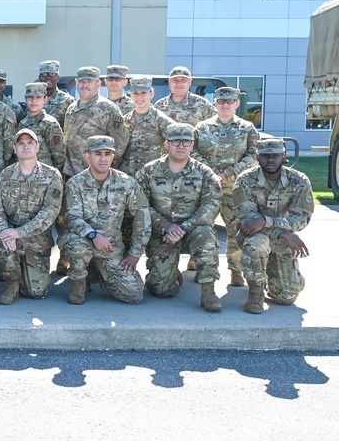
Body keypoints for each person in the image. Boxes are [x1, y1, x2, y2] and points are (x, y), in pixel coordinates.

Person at [136, 123, 222, 311]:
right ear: (167, 144)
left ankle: (208, 292)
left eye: (186, 142)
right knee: (161, 291)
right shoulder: (149, 171)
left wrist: (183, 228)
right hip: (162, 233)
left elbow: (211, 206)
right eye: (176, 141)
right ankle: (172, 274)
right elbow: (140, 206)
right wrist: (165, 226)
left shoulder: (205, 173)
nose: (181, 146)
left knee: (207, 236)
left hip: (193, 230)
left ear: (192, 145)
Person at [60, 135, 150, 305]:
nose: (103, 158)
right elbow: (72, 217)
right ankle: (79, 282)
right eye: (98, 154)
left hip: (110, 248)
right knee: (76, 246)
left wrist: (135, 253)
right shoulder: (75, 184)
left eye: (107, 154)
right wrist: (93, 235)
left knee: (134, 295)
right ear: (88, 156)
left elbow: (142, 215)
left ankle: (99, 273)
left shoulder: (126, 183)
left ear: (113, 156)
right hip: (83, 241)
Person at [233, 138, 313, 314]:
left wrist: (266, 222)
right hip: (253, 235)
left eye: (275, 156)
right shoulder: (245, 180)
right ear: (257, 157)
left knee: (286, 297)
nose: (270, 160)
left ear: (283, 156)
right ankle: (256, 293)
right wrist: (284, 232)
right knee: (256, 245)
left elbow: (301, 218)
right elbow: (247, 218)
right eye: (265, 156)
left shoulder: (299, 181)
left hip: (282, 241)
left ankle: (281, 275)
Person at [193, 86, 259, 287]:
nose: (225, 105)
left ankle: (236, 270)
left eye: (230, 101)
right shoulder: (202, 128)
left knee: (235, 230)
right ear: (215, 103)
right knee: (203, 229)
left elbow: (253, 156)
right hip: (207, 188)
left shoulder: (247, 128)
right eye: (221, 101)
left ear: (237, 104)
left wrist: (229, 173)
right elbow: (193, 154)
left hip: (235, 187)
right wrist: (213, 172)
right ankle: (201, 266)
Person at [0, 129, 64, 304]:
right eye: (21, 144)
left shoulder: (52, 175)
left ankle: (23, 274)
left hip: (36, 240)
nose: (25, 147)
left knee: (36, 292)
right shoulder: (5, 176)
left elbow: (50, 212)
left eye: (30, 143)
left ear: (37, 147)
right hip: (10, 240)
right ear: (14, 149)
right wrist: (4, 231)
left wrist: (19, 232)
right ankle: (12, 283)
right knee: (4, 247)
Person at [62, 66, 129, 178]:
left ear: (98, 84)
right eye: (82, 82)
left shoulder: (108, 108)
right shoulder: (71, 108)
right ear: (76, 84)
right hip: (71, 174)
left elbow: (120, 143)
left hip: (95, 175)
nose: (85, 85)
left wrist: (104, 169)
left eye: (89, 82)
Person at [120, 76, 175, 176]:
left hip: (151, 177)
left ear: (151, 94)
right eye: (135, 93)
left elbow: (176, 146)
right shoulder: (125, 120)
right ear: (131, 95)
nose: (139, 97)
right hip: (127, 178)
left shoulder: (161, 120)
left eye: (143, 93)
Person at [17, 82, 65, 169]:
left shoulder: (50, 123)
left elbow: (59, 156)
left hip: (45, 175)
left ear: (45, 99)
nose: (34, 101)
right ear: (25, 99)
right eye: (30, 97)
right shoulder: (22, 123)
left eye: (38, 97)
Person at [39, 60, 75, 128]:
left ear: (58, 77)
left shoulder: (68, 101)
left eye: (52, 74)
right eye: (44, 74)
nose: (48, 77)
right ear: (39, 77)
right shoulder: (33, 100)